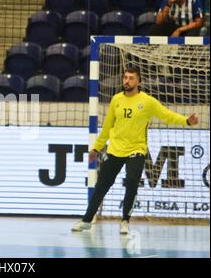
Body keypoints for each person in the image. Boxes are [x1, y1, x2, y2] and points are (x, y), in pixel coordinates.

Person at [71, 68, 199, 234]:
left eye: (131, 78)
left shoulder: (147, 101)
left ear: (138, 82)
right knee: (102, 185)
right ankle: (87, 220)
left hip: (136, 149)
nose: (127, 81)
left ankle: (125, 221)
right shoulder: (116, 99)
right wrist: (96, 147)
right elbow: (108, 126)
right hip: (115, 149)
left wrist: (187, 121)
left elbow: (167, 115)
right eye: (125, 77)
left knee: (131, 182)